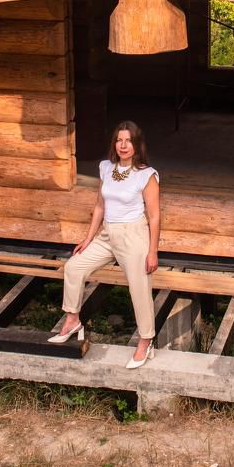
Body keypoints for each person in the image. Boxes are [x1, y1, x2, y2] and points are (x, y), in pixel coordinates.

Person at [49, 120, 161, 369]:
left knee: (139, 288)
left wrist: (152, 251)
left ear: (137, 144)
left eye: (128, 140)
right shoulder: (106, 168)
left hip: (133, 235)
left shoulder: (146, 175)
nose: (123, 145)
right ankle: (72, 320)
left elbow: (154, 216)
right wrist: (88, 238)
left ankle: (146, 340)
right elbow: (100, 205)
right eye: (119, 140)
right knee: (74, 267)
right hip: (107, 234)